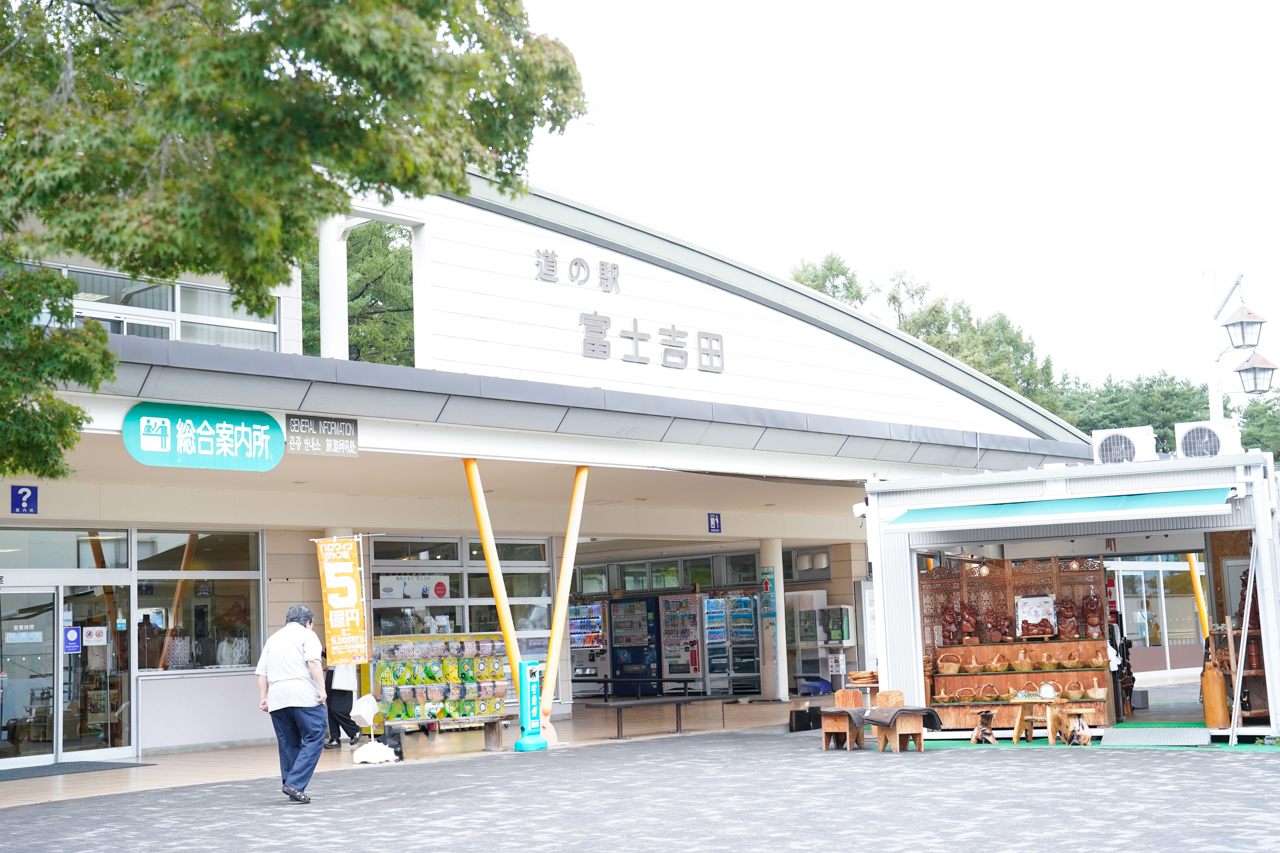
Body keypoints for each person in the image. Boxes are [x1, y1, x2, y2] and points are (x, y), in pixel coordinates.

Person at [256, 605, 327, 803]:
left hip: (278, 700)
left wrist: (264, 696)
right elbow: (313, 661)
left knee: (288, 742)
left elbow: (262, 671)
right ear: (308, 622)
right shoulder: (307, 635)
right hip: (304, 696)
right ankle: (295, 784)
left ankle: (290, 783)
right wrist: (321, 689)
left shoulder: (273, 639)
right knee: (315, 737)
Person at [323, 650, 362, 749]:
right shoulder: (331, 636)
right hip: (331, 672)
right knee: (331, 709)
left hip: (343, 673)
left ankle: (354, 730)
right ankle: (335, 738)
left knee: (337, 708)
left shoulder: (346, 636)